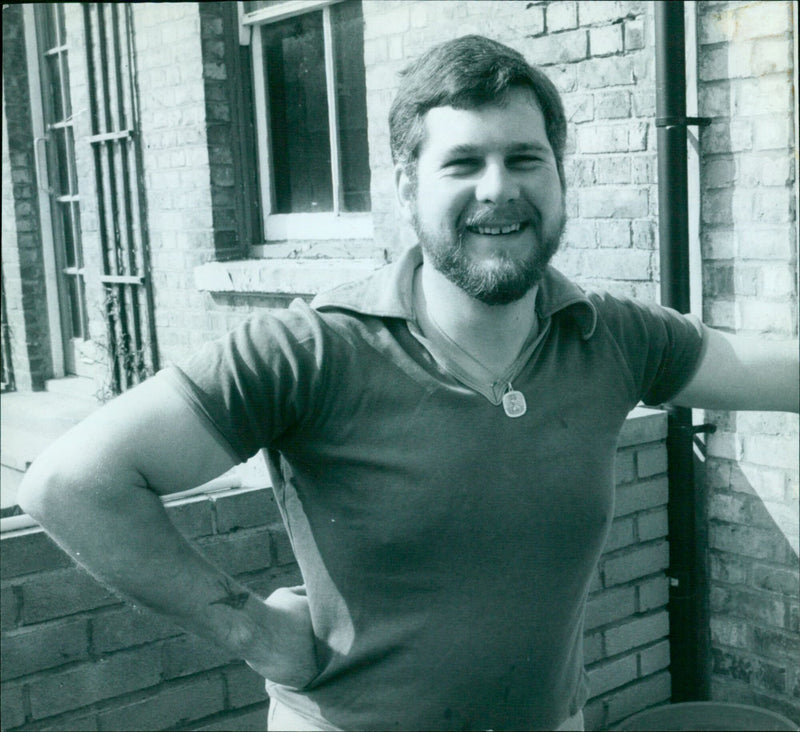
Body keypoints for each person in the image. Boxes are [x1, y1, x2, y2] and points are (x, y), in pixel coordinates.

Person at [18, 35, 798, 732]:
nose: (498, 187)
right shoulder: (306, 350)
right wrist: (251, 632)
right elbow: (71, 484)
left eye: (525, 158)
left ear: (560, 177)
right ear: (406, 185)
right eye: (463, 162)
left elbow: (766, 366)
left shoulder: (613, 338)